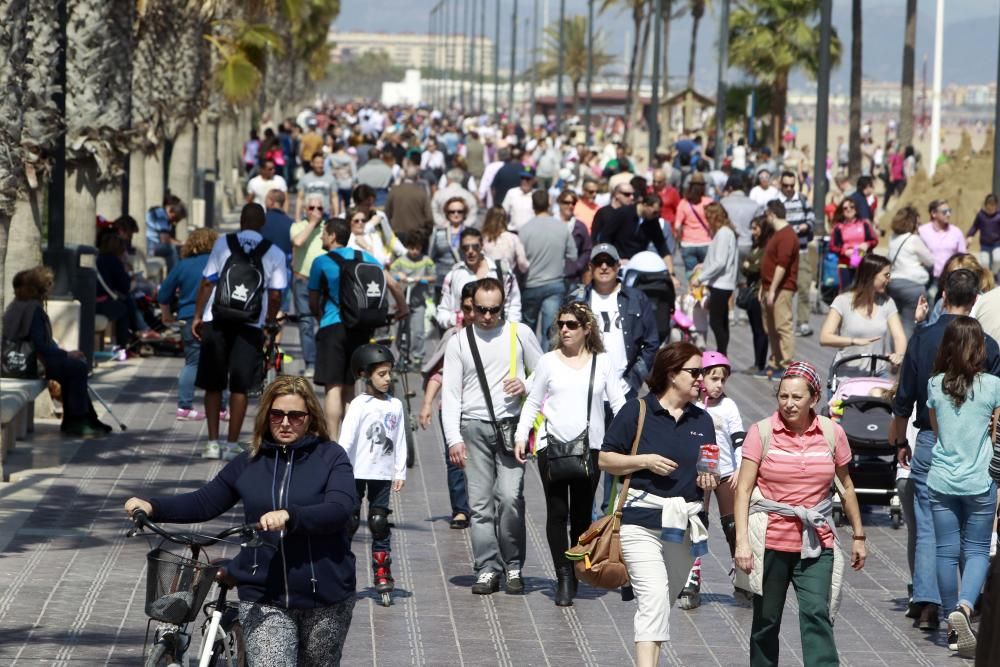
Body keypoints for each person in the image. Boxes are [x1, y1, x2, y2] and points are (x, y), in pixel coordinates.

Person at [124, 376, 357, 666]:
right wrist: (152, 506)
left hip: (325, 594)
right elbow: (205, 501)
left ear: (310, 418)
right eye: (277, 414)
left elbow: (340, 508)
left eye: (296, 416)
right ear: (266, 416)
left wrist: (291, 515)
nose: (285, 423)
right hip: (264, 595)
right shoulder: (250, 461)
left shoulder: (331, 457)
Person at [734, 361, 867, 667]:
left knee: (817, 615)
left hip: (816, 542)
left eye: (797, 397)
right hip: (770, 542)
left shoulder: (832, 433)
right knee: (766, 620)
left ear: (814, 399)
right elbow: (743, 490)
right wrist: (742, 542)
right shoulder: (762, 432)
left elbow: (846, 485)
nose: (789, 404)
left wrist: (858, 535)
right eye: (783, 396)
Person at [599, 342, 719, 667]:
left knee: (661, 604)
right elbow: (605, 459)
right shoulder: (637, 411)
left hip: (683, 525)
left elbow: (709, 469)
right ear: (671, 373)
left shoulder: (703, 420)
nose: (700, 379)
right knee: (653, 599)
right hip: (640, 522)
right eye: (695, 372)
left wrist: (709, 479)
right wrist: (644, 461)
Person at [893, 268, 1000, 633]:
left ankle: (932, 608)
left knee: (936, 541)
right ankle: (966, 607)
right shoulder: (993, 374)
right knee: (976, 547)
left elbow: (920, 414)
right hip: (980, 470)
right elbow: (995, 427)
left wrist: (898, 441)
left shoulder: (933, 374)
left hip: (936, 460)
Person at [442, 278, 543, 595]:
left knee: (511, 498)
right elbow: (451, 395)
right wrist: (452, 439)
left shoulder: (519, 333)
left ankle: (513, 565)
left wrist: (525, 385)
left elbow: (544, 372)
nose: (486, 317)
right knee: (481, 505)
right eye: (481, 310)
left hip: (512, 427)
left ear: (504, 304)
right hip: (474, 426)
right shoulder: (459, 342)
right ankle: (487, 567)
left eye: (494, 310)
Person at [926, 317, 1000, 658]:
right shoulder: (993, 386)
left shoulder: (935, 384)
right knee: (976, 550)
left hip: (942, 478)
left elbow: (937, 432)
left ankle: (948, 620)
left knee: (944, 551)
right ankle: (966, 608)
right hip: (979, 480)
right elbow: (996, 435)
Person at [192, 204, 287, 460]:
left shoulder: (223, 243)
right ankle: (232, 443)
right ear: (263, 223)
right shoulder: (274, 253)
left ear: (242, 220)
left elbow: (207, 281)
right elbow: (276, 294)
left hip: (217, 319)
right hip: (250, 325)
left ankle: (212, 442)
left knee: (213, 384)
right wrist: (269, 320)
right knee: (240, 387)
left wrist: (199, 315)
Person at [308, 217, 408, 439]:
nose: (322, 236)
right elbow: (393, 284)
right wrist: (402, 308)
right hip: (361, 327)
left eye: (324, 232)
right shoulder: (368, 258)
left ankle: (333, 442)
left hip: (332, 327)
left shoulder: (321, 262)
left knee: (333, 386)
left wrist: (319, 315)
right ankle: (352, 440)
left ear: (333, 236)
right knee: (350, 386)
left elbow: (313, 300)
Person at [3, 267, 111, 437]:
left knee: (73, 366)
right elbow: (40, 345)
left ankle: (84, 418)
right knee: (76, 368)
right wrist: (66, 354)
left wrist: (64, 353)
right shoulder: (33, 309)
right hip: (32, 363)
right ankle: (76, 420)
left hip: (22, 360)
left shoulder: (17, 306)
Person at [340, 344, 407, 604]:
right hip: (355, 472)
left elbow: (399, 439)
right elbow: (346, 440)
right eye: (381, 374)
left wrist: (399, 470)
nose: (387, 379)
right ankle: (341, 573)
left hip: (382, 473)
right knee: (349, 522)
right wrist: (337, 467)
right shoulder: (359, 404)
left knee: (379, 523)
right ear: (365, 375)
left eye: (389, 373)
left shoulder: (396, 406)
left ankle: (382, 573)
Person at [691, 352, 748, 607]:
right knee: (696, 525)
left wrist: (740, 468)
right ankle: (691, 578)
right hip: (700, 474)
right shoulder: (692, 405)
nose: (719, 385)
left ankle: (744, 578)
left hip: (726, 473)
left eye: (722, 380)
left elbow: (738, 439)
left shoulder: (729, 406)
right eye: (714, 378)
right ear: (700, 377)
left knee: (733, 526)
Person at [418, 283, 477, 530]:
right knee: (454, 459)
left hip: (483, 411)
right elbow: (439, 373)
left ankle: (484, 505)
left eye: (478, 308)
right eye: (467, 309)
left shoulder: (501, 336)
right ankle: (461, 510)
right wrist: (427, 403)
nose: (473, 315)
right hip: (452, 409)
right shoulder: (454, 336)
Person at [157, 228, 219, 420]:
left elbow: (164, 293)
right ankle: (222, 408)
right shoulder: (219, 263)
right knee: (219, 362)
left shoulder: (183, 265)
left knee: (192, 362)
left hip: (187, 316)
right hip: (214, 317)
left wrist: (166, 315)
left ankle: (184, 407)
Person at [819, 253, 907, 378]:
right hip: (845, 376)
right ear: (871, 275)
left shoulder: (887, 302)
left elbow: (899, 336)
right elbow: (824, 338)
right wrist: (854, 341)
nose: (889, 279)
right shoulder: (842, 301)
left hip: (877, 375)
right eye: (886, 275)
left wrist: (899, 355)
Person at [518, 191, 577, 351]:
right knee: (550, 332)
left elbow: (519, 260)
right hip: (555, 284)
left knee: (527, 330)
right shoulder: (562, 228)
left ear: (533, 205)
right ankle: (546, 365)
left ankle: (526, 364)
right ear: (549, 204)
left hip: (531, 284)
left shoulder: (524, 230)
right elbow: (573, 254)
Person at [436, 228, 521, 328]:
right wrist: (458, 319)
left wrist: (511, 332)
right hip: (464, 337)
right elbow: (443, 312)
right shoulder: (453, 275)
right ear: (461, 249)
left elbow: (513, 307)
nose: (470, 251)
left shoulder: (501, 272)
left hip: (497, 336)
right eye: (466, 247)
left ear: (482, 246)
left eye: (475, 246)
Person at [690, 202, 738, 356]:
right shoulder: (724, 232)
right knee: (721, 321)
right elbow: (718, 258)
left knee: (716, 322)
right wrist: (703, 266)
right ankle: (722, 352)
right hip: (722, 282)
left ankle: (721, 353)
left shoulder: (723, 233)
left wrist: (701, 277)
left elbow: (720, 262)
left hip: (721, 283)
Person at [760, 200, 799, 377]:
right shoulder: (776, 234)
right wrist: (764, 287)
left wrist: (773, 289)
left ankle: (786, 364)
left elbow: (782, 265)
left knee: (783, 326)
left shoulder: (787, 235)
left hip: (782, 288)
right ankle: (775, 360)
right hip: (770, 287)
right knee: (771, 327)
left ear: (772, 215)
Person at [777, 171, 817, 337]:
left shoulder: (801, 200)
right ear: (781, 185)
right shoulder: (776, 202)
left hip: (802, 251)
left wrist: (806, 226)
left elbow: (812, 219)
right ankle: (784, 322)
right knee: (784, 290)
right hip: (783, 254)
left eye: (792, 185)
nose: (789, 189)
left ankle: (803, 322)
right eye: (785, 185)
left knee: (803, 287)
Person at [886, 205, 935, 340]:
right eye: (918, 223)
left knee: (895, 324)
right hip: (912, 287)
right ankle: (903, 357)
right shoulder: (913, 239)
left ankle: (892, 354)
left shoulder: (893, 238)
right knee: (908, 325)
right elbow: (930, 261)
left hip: (893, 284)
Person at [390, 231, 435, 362]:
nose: (415, 251)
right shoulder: (401, 261)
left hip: (418, 301)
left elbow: (433, 277)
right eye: (412, 248)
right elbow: (391, 273)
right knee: (401, 329)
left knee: (418, 331)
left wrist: (421, 278)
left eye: (417, 248)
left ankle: (418, 356)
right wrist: (399, 275)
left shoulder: (426, 260)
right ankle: (402, 354)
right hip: (402, 301)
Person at [743, 215, 773, 374]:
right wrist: (749, 266)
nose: (753, 232)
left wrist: (750, 266)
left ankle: (760, 363)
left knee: (761, 330)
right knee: (755, 329)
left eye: (756, 228)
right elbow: (745, 266)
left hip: (759, 292)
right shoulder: (755, 245)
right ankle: (757, 361)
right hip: (752, 290)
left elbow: (757, 268)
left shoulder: (766, 248)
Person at [828, 198, 878, 292]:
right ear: (842, 211)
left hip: (863, 262)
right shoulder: (838, 227)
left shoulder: (864, 224)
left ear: (856, 208)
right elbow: (832, 246)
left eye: (851, 207)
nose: (849, 209)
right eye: (845, 208)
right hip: (845, 264)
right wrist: (845, 251)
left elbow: (874, 240)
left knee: (863, 291)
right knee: (847, 293)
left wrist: (867, 245)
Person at [673, 173, 715, 274]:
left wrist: (678, 239)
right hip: (706, 242)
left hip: (687, 243)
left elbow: (677, 226)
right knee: (706, 272)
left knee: (691, 272)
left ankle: (692, 289)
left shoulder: (684, 203)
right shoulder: (709, 202)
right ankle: (703, 290)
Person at [919, 199, 967, 284]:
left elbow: (963, 257)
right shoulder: (922, 231)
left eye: (949, 211)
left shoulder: (956, 232)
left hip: (951, 279)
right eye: (944, 212)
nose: (948, 214)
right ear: (934, 213)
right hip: (929, 279)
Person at [385, 164, 434, 241]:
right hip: (417, 234)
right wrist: (426, 233)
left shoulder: (394, 192)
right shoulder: (422, 193)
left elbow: (387, 213)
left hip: (397, 233)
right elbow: (429, 217)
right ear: (417, 177)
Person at [557, 189, 592, 292]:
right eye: (566, 202)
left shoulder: (580, 226)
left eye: (573, 203)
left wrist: (577, 266)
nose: (570, 206)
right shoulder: (551, 223)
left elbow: (587, 250)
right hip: (552, 277)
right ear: (559, 203)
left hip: (572, 278)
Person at [481, 206, 529, 274]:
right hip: (507, 278)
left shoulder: (482, 239)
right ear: (505, 219)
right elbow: (522, 264)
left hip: (488, 278)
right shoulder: (513, 238)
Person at [145, 194, 187, 271]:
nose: (174, 223)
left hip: (152, 245)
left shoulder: (158, 212)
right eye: (175, 218)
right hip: (150, 246)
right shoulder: (161, 215)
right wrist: (182, 243)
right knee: (171, 249)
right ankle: (175, 277)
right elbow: (165, 240)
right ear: (170, 209)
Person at [297, 153, 338, 219]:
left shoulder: (331, 179)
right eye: (317, 163)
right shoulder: (305, 178)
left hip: (325, 214)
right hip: (308, 214)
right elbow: (300, 198)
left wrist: (336, 214)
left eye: (322, 163)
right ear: (311, 163)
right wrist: (297, 216)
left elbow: (334, 197)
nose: (320, 165)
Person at [967, 194, 1000, 273]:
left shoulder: (999, 216)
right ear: (985, 205)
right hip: (985, 244)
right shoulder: (981, 216)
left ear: (996, 206)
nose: (991, 208)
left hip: (997, 243)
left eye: (993, 206)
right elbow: (975, 226)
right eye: (989, 205)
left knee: (998, 259)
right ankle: (987, 275)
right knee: (984, 263)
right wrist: (970, 235)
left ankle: (994, 273)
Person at [501, 166, 538, 232]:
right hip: (513, 232)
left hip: (531, 234)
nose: (524, 181)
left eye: (528, 178)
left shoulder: (537, 195)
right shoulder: (512, 193)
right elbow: (502, 213)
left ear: (533, 180)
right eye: (522, 178)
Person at [326, 141, 356, 211]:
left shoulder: (331, 157)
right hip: (347, 183)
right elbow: (354, 172)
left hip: (336, 183)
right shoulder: (349, 158)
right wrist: (353, 182)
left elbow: (327, 171)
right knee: (348, 204)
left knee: (336, 204)